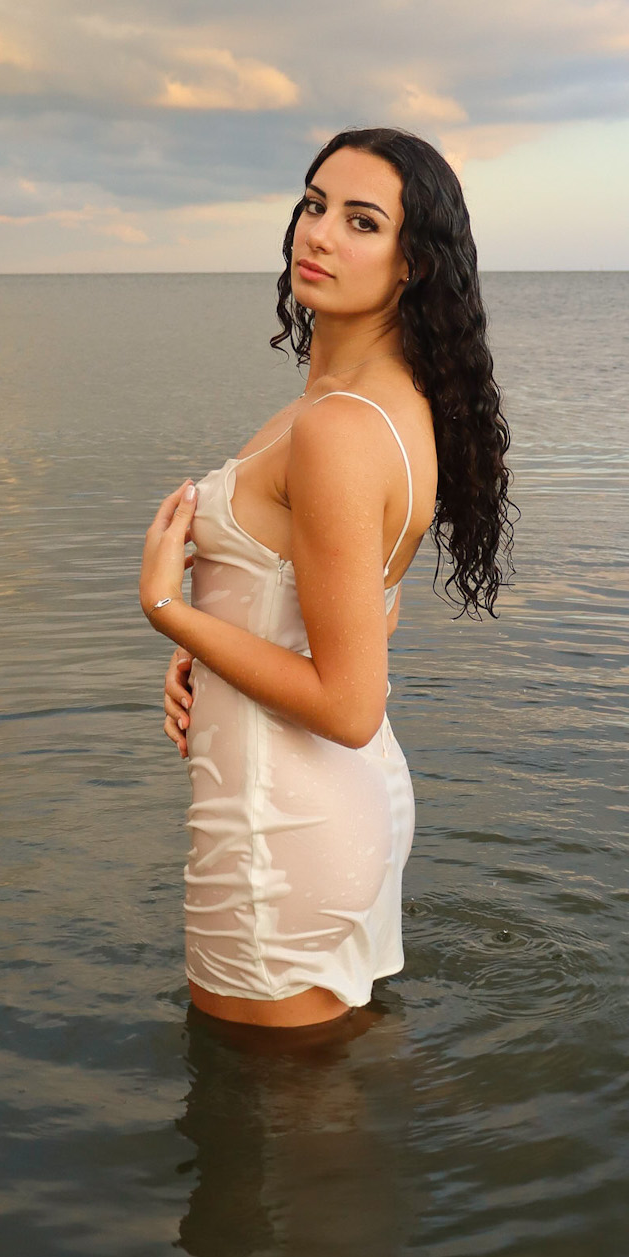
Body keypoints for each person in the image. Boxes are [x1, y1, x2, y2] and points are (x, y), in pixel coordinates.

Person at [140, 127, 512, 1030]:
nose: (318, 234)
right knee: (321, 1127)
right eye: (313, 206)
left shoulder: (339, 429)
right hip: (317, 802)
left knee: (268, 1146)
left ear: (412, 263)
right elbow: (365, 618)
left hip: (280, 818)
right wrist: (219, 656)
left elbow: (349, 703)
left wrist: (170, 613)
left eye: (360, 221)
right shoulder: (371, 408)